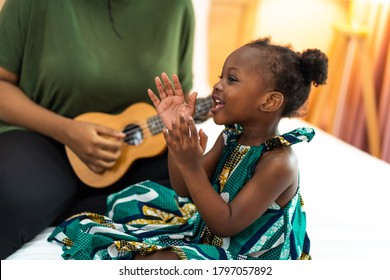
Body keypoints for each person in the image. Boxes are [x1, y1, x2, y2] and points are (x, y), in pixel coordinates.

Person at [47, 37, 328, 260]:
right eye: (221, 76)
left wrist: (192, 166)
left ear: (269, 102)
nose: (217, 86)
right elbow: (183, 188)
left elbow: (225, 224)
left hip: (248, 255)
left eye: (232, 79)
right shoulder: (232, 137)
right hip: (208, 231)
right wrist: (177, 137)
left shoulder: (279, 162)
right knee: (132, 198)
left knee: (162, 261)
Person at [0, 0, 195, 259]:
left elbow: (177, 98)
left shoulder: (177, 7)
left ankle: (67, 204)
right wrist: (67, 131)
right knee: (12, 196)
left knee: (198, 190)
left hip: (134, 153)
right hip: (42, 137)